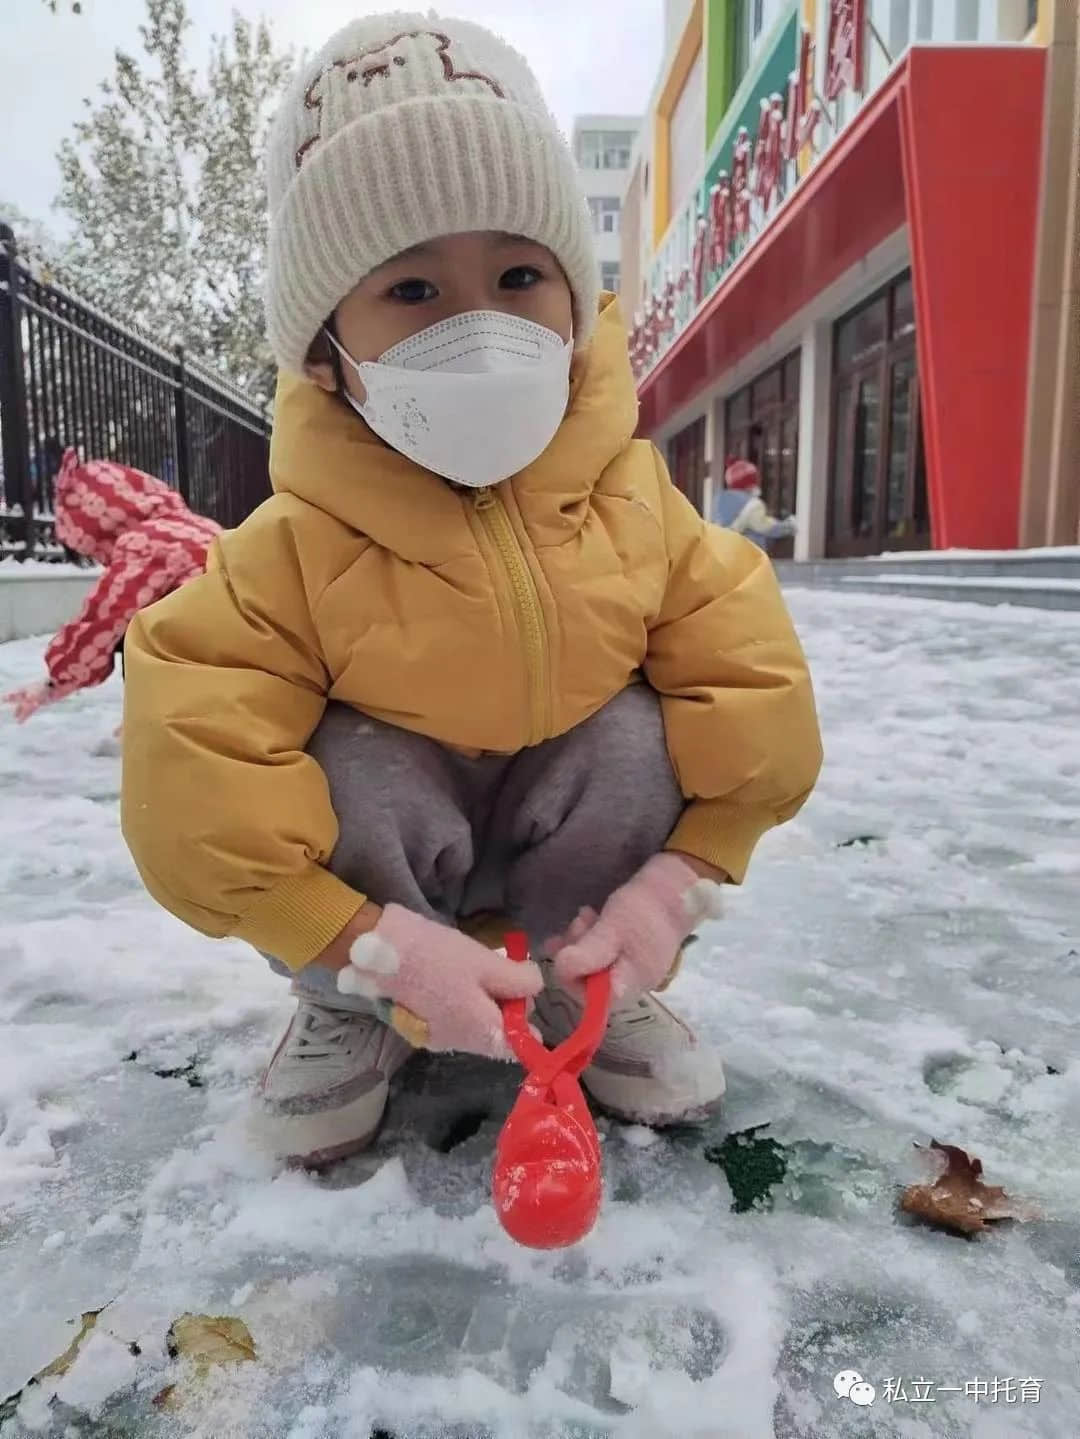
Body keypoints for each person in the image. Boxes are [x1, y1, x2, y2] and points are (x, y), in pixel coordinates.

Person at [120, 12, 823, 1169]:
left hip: (576, 888)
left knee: (641, 733)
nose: (480, 326)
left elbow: (749, 686)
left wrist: (674, 885)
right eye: (410, 290)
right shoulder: (289, 552)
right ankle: (356, 1009)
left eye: (515, 274)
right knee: (344, 757)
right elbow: (191, 774)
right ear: (326, 353)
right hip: (390, 903)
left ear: (572, 299)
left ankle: (581, 984)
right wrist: (358, 942)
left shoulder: (638, 505)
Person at [3, 449, 220, 726]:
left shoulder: (147, 541)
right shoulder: (200, 526)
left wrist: (56, 681)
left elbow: (105, 618)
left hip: (211, 655)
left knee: (133, 630)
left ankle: (162, 723)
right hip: (253, 642)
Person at [711, 457, 797, 550]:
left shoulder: (719, 500)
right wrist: (788, 527)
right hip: (746, 553)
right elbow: (763, 527)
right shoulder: (753, 504)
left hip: (723, 550)